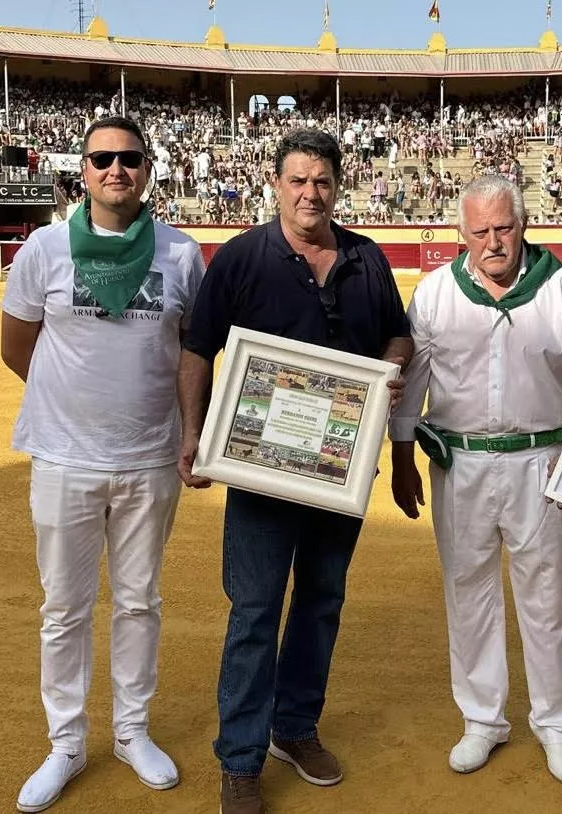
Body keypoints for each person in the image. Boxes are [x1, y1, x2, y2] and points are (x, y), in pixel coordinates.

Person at [177, 128, 413, 814]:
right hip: (261, 471)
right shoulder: (242, 257)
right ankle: (240, 759)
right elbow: (198, 347)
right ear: (275, 184)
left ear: (337, 187)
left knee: (320, 603)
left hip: (338, 468)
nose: (311, 193)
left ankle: (294, 728)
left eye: (322, 182)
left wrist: (391, 365)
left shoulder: (366, 258)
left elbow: (394, 332)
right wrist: (192, 435)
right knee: (253, 610)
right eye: (298, 180)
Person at [1, 115, 206, 813]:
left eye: (128, 158)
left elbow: (192, 350)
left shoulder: (180, 255)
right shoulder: (44, 248)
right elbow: (15, 347)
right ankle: (65, 743)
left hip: (150, 456)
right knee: (64, 608)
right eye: (101, 159)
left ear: (146, 170)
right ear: (81, 172)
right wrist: (74, 404)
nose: (115, 170)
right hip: (63, 457)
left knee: (140, 602)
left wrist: (187, 429)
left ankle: (130, 731)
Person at [389, 175, 562, 784]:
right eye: (480, 231)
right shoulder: (435, 292)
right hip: (458, 464)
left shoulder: (559, 286)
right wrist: (403, 456)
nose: (493, 242)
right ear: (463, 234)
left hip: (542, 463)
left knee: (550, 597)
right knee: (469, 593)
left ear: (523, 225)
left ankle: (558, 724)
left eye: (503, 228)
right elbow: (413, 382)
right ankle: (483, 719)